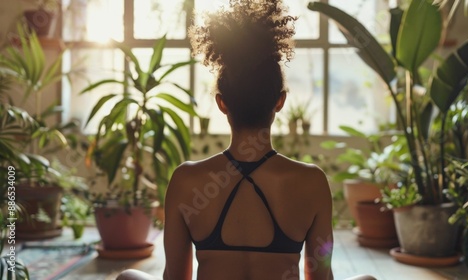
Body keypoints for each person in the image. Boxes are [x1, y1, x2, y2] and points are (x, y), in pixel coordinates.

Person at [118, 1, 375, 279]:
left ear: (221, 103)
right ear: (280, 101)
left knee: (127, 277)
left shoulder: (185, 180)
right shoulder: (312, 182)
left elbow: (176, 277)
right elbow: (321, 276)